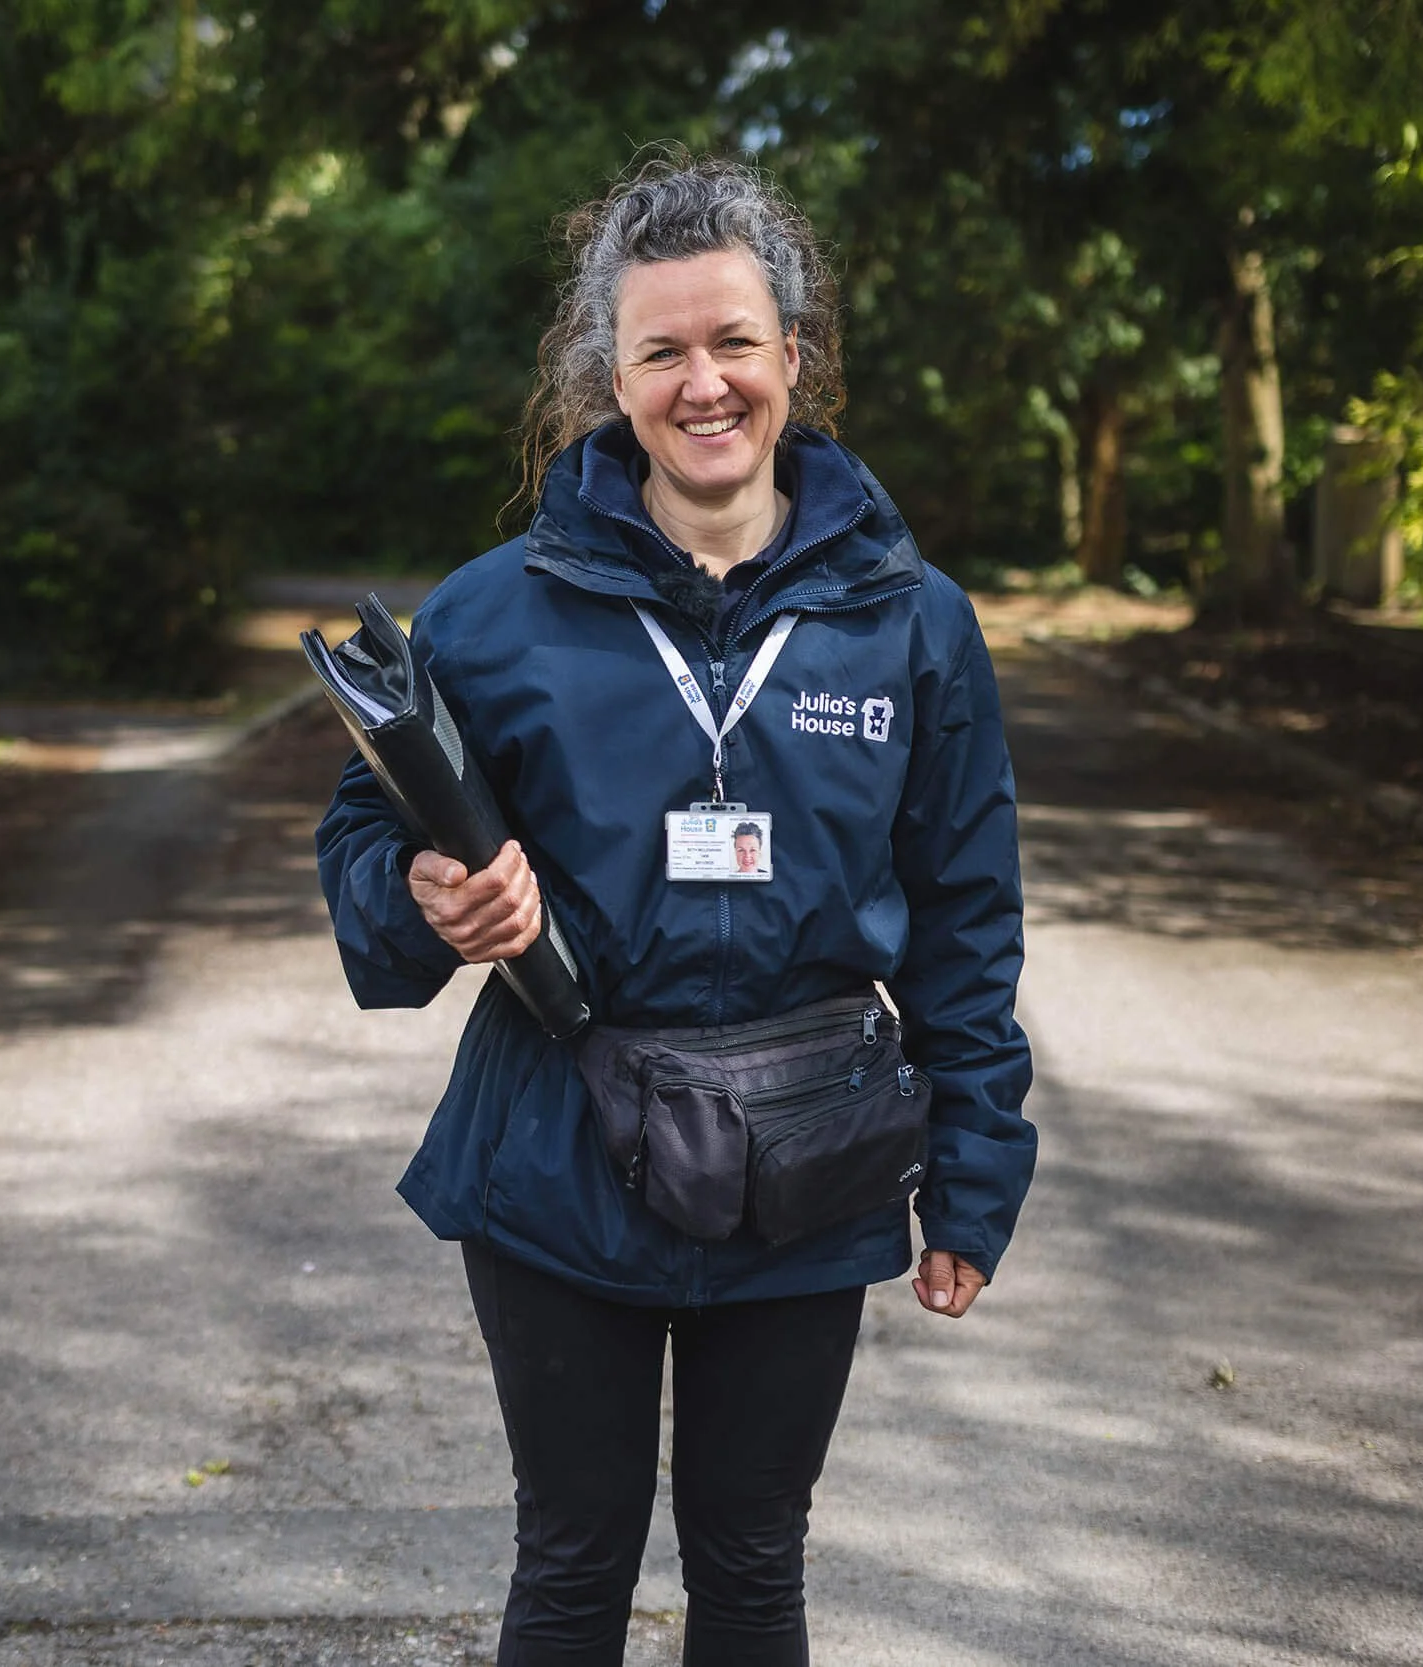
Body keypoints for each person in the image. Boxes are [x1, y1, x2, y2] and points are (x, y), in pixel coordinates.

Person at [315, 156, 1034, 1666]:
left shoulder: (912, 619)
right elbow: (365, 848)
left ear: (794, 356)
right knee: (572, 1567)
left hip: (815, 1153)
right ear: (611, 374)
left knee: (756, 1565)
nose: (703, 384)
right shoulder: (495, 610)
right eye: (661, 352)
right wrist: (425, 892)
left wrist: (973, 1168)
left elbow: (969, 912)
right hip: (560, 1143)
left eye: (733, 343)